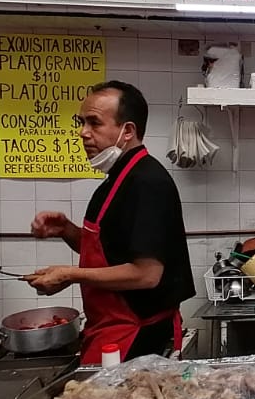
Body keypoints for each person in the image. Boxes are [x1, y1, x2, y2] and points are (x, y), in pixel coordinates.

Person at [26, 80, 195, 364]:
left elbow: (146, 274)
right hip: (109, 330)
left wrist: (69, 274)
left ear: (127, 131)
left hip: (135, 336)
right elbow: (110, 255)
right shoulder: (118, 179)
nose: (83, 133)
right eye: (81, 122)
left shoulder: (148, 183)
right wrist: (67, 231)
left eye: (94, 123)